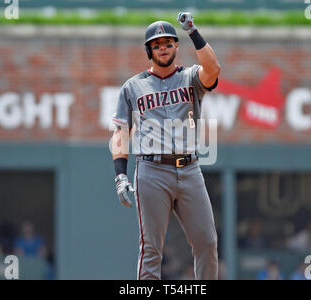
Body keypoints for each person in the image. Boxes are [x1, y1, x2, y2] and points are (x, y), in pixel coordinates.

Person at [111, 12, 221, 280]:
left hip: (190, 168)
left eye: (168, 43)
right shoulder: (133, 86)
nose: (163, 48)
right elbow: (120, 132)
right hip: (152, 170)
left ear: (176, 46)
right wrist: (120, 175)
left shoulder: (191, 78)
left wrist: (193, 31)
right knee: (151, 249)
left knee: (207, 243)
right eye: (157, 44)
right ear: (149, 50)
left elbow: (214, 70)